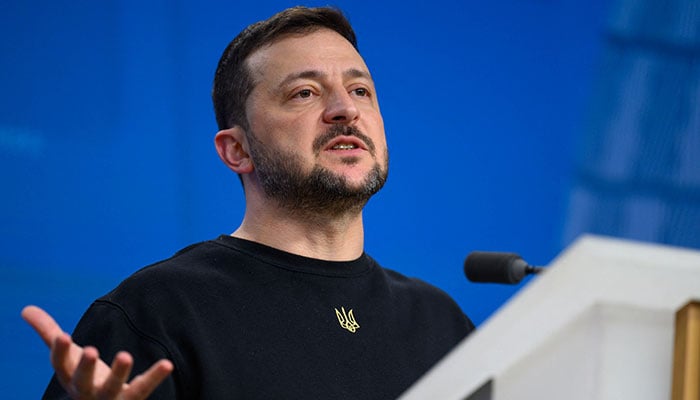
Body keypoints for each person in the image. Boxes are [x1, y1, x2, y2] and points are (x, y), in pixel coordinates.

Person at [23, 6, 474, 399]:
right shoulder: (157, 312)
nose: (346, 110)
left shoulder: (440, 321)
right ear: (236, 150)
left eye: (360, 90)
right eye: (305, 93)